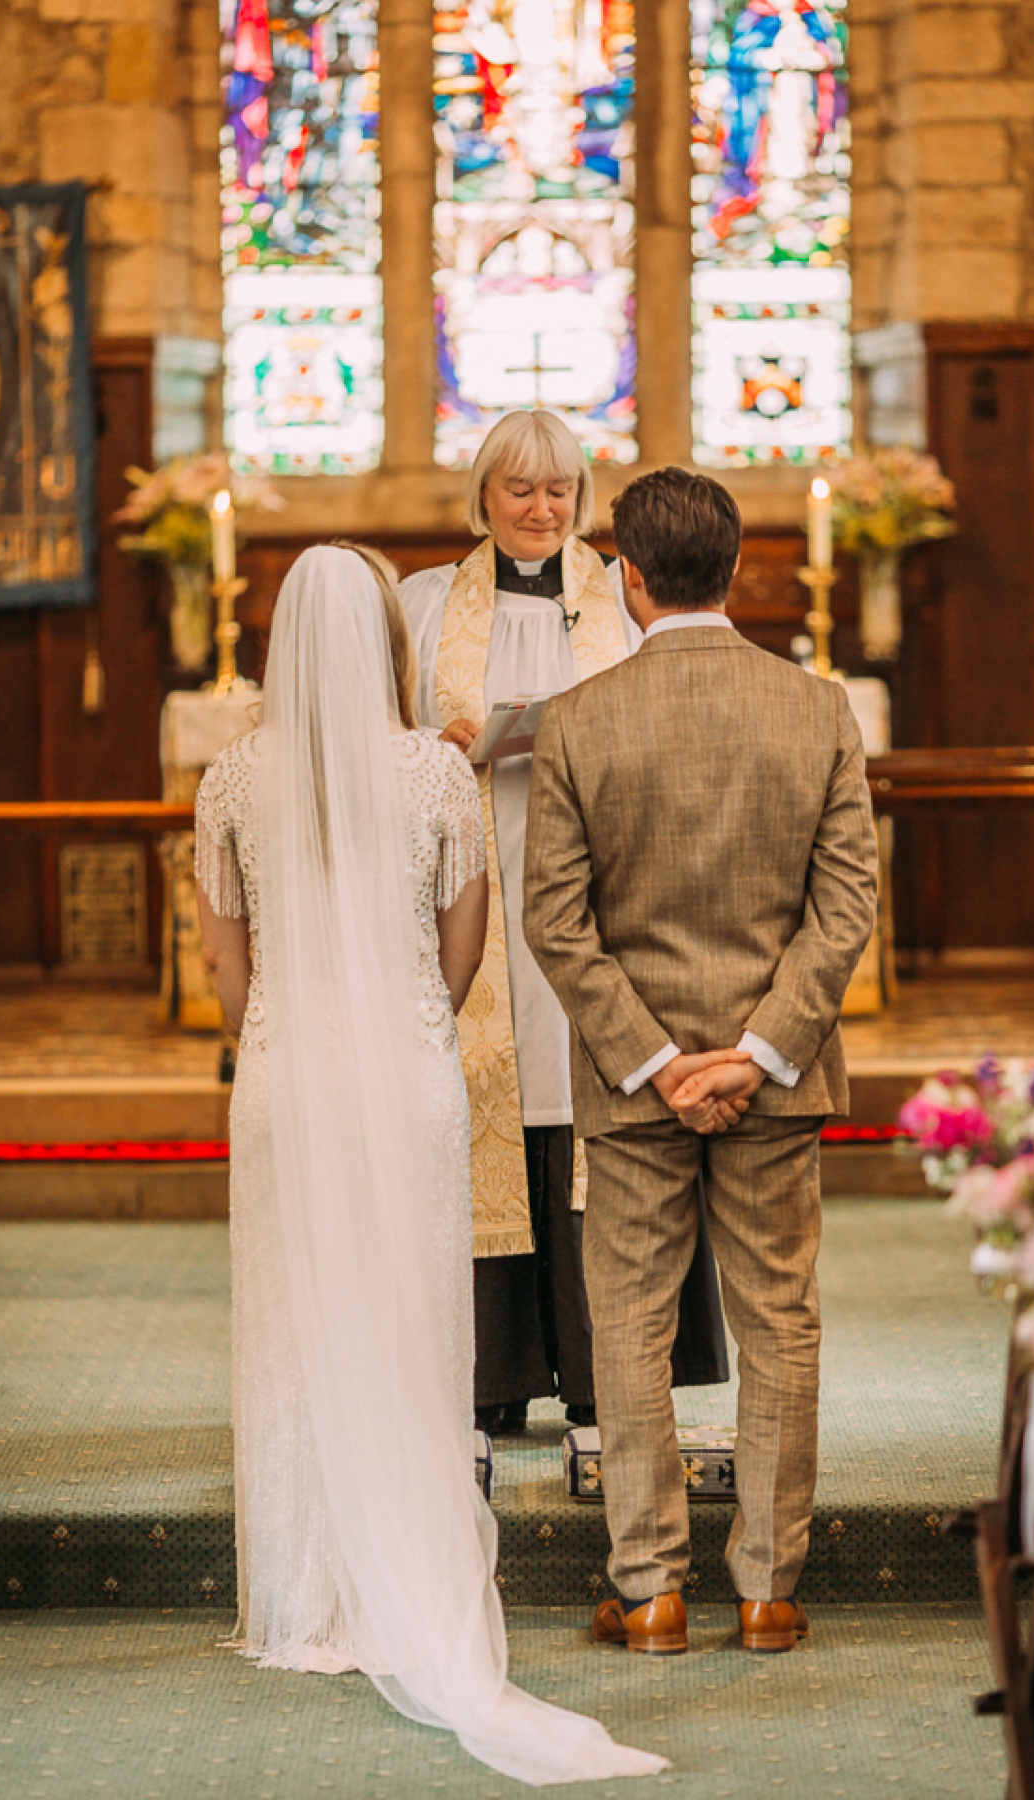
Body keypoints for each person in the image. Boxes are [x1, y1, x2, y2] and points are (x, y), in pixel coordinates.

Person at [193, 543, 665, 1783]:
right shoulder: (439, 775)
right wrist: (407, 1016)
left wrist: (282, 1031)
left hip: (287, 1074)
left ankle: (301, 1598)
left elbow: (226, 965)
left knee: (296, 1315)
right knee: (408, 1312)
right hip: (410, 1074)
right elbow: (467, 950)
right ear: (388, 645)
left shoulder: (231, 779)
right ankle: (409, 1575)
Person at [523, 467, 879, 1657]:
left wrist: (660, 1063)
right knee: (780, 1319)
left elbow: (557, 924)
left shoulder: (578, 722)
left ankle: (653, 1588)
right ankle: (770, 1590)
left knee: (626, 1321)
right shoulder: (818, 709)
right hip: (774, 1084)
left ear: (627, 577)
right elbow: (847, 906)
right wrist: (761, 1050)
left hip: (636, 1092)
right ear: (736, 569)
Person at [401, 410, 728, 1434]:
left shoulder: (627, 601)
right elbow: (384, 742)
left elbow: (678, 718)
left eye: (561, 493)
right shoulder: (422, 606)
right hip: (476, 893)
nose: (543, 511)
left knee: (590, 1103)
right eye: (521, 491)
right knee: (491, 1095)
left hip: (601, 895)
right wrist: (437, 744)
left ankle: (602, 1375)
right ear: (483, 497)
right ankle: (492, 1375)